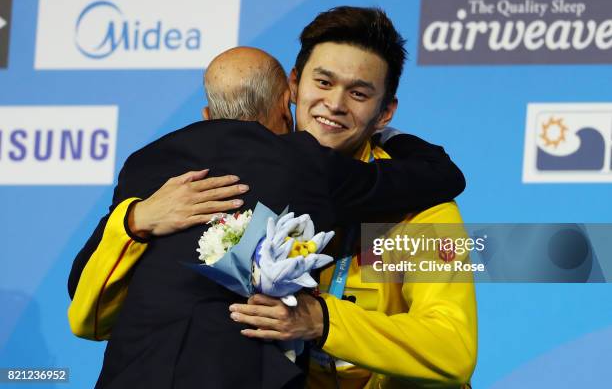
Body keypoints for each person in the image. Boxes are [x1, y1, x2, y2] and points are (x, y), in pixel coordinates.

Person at [68, 44, 466, 389]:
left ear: (208, 113)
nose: (333, 103)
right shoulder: (303, 162)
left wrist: (133, 220)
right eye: (323, 84)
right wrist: (392, 135)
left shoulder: (146, 167)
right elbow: (438, 175)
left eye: (357, 92)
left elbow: (87, 313)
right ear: (287, 102)